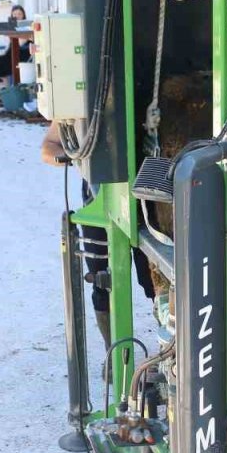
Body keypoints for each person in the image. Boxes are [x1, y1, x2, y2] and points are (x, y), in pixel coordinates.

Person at [40, 122, 159, 353]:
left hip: (146, 202)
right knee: (102, 282)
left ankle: (169, 349)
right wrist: (75, 156)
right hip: (98, 206)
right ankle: (113, 355)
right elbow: (48, 148)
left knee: (156, 279)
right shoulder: (78, 109)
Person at [0, 5, 34, 82]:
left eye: (19, 14)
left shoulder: (27, 26)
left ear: (23, 15)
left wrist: (13, 34)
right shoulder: (11, 27)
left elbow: (21, 43)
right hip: (11, 53)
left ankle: (8, 83)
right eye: (14, 14)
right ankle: (2, 83)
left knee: (4, 64)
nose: (17, 16)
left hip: (22, 54)